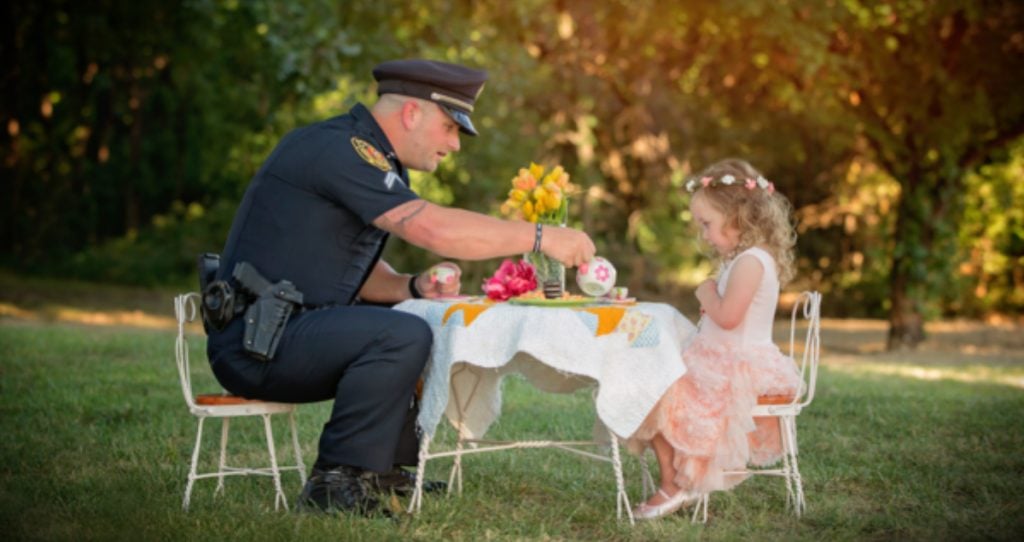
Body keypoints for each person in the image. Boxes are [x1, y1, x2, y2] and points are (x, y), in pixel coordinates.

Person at [204, 59, 596, 517]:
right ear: (412, 113)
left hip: (282, 331)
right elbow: (431, 228)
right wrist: (540, 235)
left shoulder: (368, 156)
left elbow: (340, 262)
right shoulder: (341, 150)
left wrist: (410, 285)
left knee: (411, 318)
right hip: (255, 345)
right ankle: (336, 481)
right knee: (400, 334)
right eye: (450, 127)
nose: (454, 145)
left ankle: (384, 470)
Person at [625, 158, 801, 520]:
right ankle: (675, 477)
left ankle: (673, 483)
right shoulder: (746, 259)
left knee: (653, 389)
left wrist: (706, 294)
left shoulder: (752, 261)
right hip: (723, 356)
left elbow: (729, 316)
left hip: (737, 367)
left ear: (738, 216)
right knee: (648, 381)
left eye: (707, 224)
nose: (704, 234)